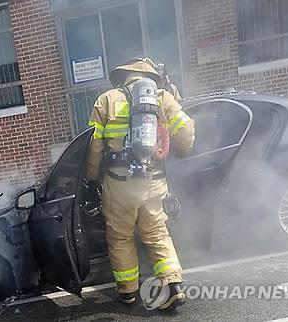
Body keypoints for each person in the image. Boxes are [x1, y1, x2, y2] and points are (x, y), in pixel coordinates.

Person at [85, 57, 195, 309]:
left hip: (119, 183)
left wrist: (91, 179)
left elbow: (93, 146)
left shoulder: (106, 100)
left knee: (121, 237)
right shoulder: (162, 97)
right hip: (153, 181)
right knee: (156, 233)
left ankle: (128, 292)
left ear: (123, 76)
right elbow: (186, 129)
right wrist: (181, 152)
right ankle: (173, 285)